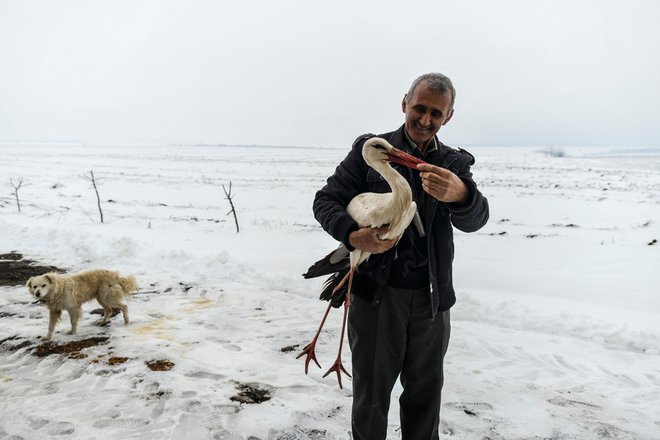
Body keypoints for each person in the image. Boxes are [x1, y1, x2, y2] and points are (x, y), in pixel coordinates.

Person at [312, 73, 489, 439]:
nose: (425, 120)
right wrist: (352, 234)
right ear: (404, 103)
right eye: (420, 108)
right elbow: (325, 200)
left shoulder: (454, 164)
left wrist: (461, 196)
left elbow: (476, 219)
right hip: (376, 297)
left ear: (449, 117)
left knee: (425, 399)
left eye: (436, 114)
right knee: (372, 399)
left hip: (431, 302)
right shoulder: (373, 151)